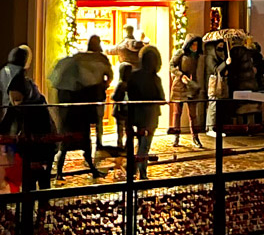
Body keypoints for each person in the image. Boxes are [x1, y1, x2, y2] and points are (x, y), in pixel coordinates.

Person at [0, 76, 57, 235]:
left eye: (18, 98)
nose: (15, 102)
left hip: (43, 150)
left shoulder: (38, 106)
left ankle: (42, 214)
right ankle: (28, 219)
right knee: (29, 184)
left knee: (42, 181)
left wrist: (42, 160)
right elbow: (6, 123)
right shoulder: (16, 106)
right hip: (26, 150)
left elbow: (47, 135)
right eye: (12, 98)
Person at [50, 36, 112, 178]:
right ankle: (87, 168)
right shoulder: (85, 79)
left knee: (69, 145)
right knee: (80, 144)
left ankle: (63, 171)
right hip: (78, 119)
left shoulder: (70, 78)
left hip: (72, 118)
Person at [120, 47, 167, 179]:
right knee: (144, 145)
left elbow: (128, 93)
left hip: (136, 114)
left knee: (139, 142)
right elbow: (161, 98)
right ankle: (142, 172)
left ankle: (134, 169)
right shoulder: (155, 79)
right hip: (150, 115)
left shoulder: (134, 75)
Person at [170, 37, 206, 146]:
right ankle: (176, 136)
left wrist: (196, 84)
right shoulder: (181, 53)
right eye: (193, 44)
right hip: (180, 85)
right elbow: (171, 65)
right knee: (177, 113)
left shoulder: (197, 56)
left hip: (191, 85)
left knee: (193, 114)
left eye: (196, 45)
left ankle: (195, 137)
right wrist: (180, 75)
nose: (195, 47)